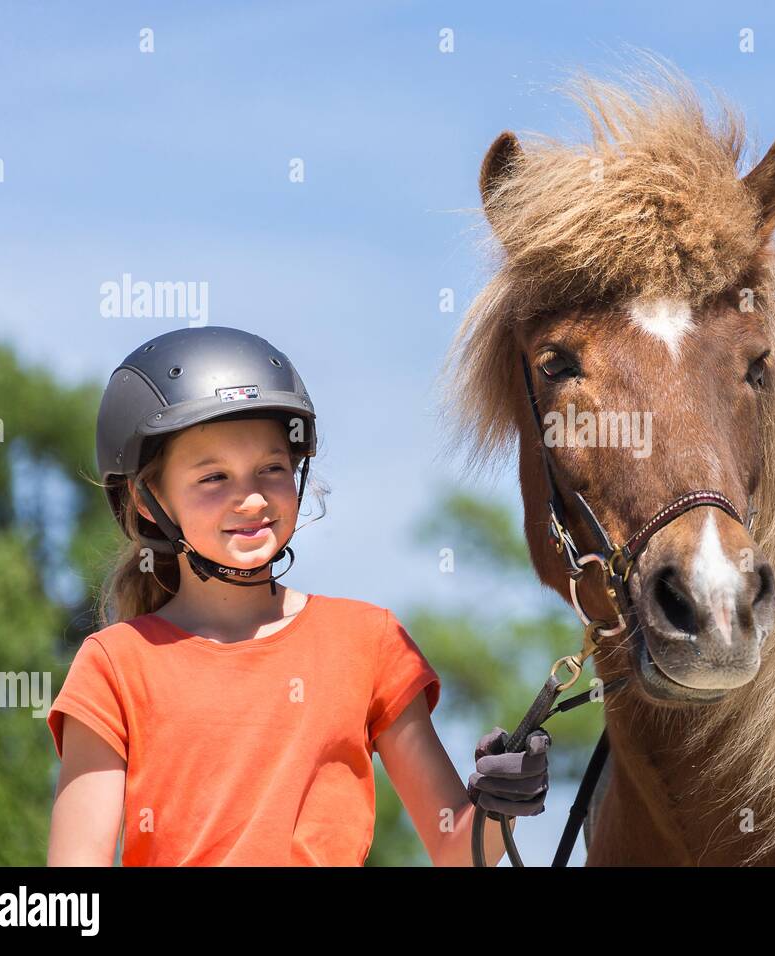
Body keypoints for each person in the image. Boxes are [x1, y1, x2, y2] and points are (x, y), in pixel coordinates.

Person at [46, 325, 548, 866]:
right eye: (213, 477)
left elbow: (457, 851)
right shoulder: (114, 665)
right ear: (148, 501)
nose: (251, 498)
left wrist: (502, 804)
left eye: (271, 468)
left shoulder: (369, 641)